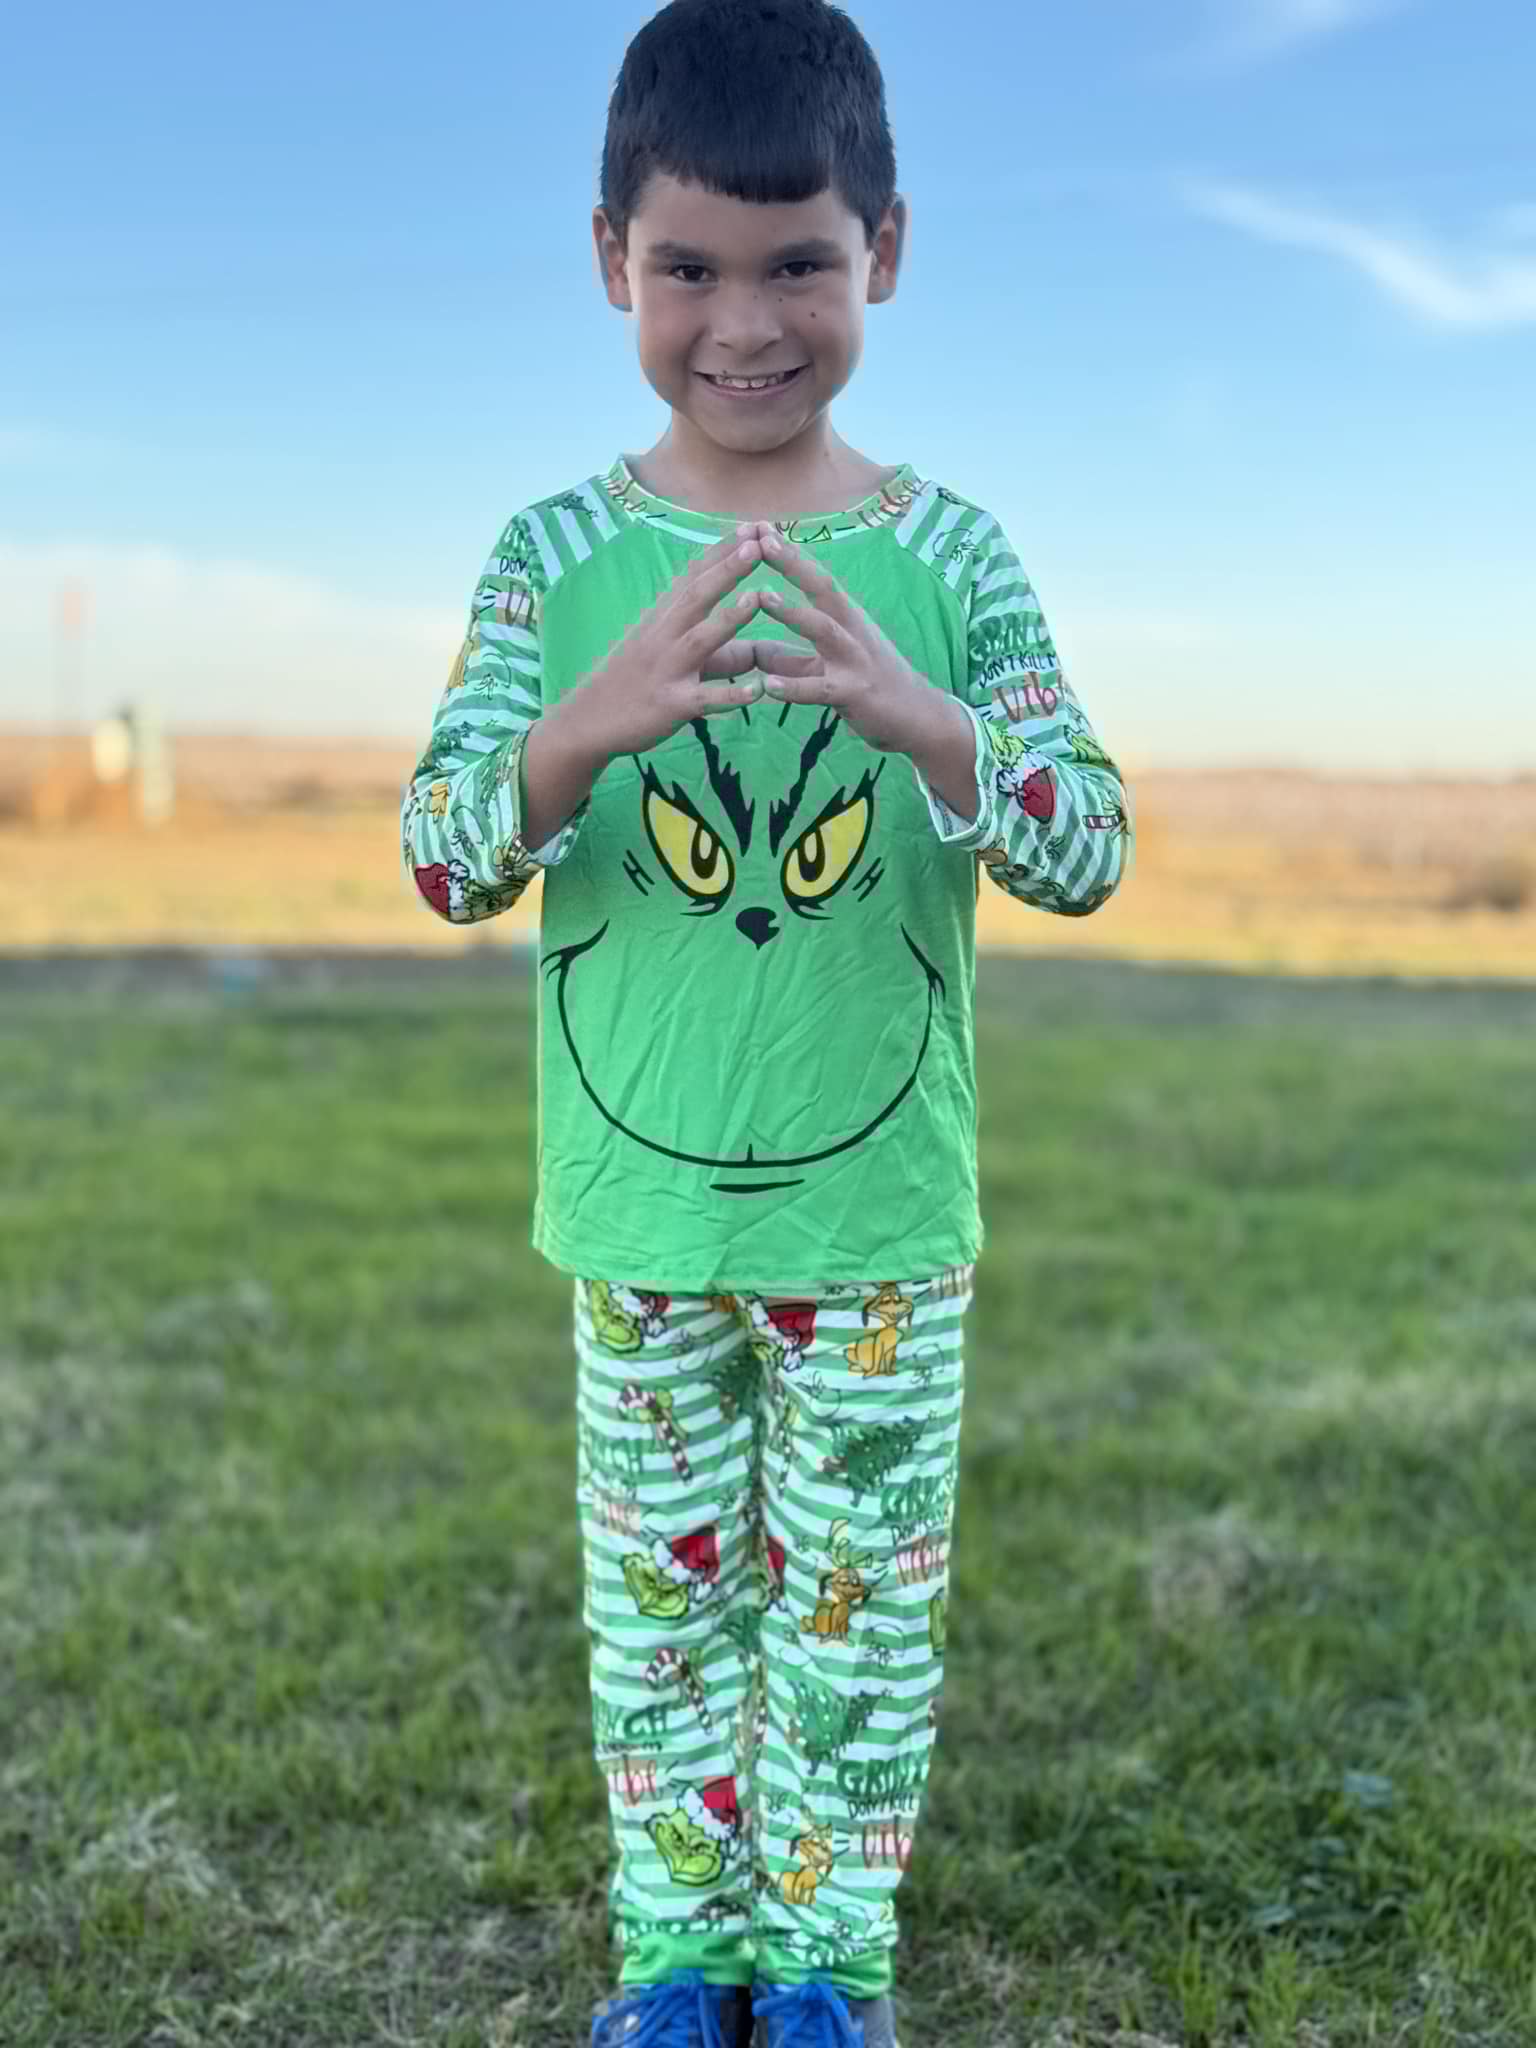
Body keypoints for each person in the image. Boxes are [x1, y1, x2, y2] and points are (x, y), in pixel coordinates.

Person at [399, 3, 1131, 2041]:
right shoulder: (552, 559)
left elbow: (1090, 848)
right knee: (662, 1629)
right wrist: (581, 731)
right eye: (690, 267)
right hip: (637, 1226)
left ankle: (822, 1976)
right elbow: (444, 862)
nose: (745, 323)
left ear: (883, 247)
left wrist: (924, 719)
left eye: (799, 261)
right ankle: (678, 1967)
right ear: (610, 259)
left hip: (878, 1234)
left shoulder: (953, 555)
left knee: (853, 1632)